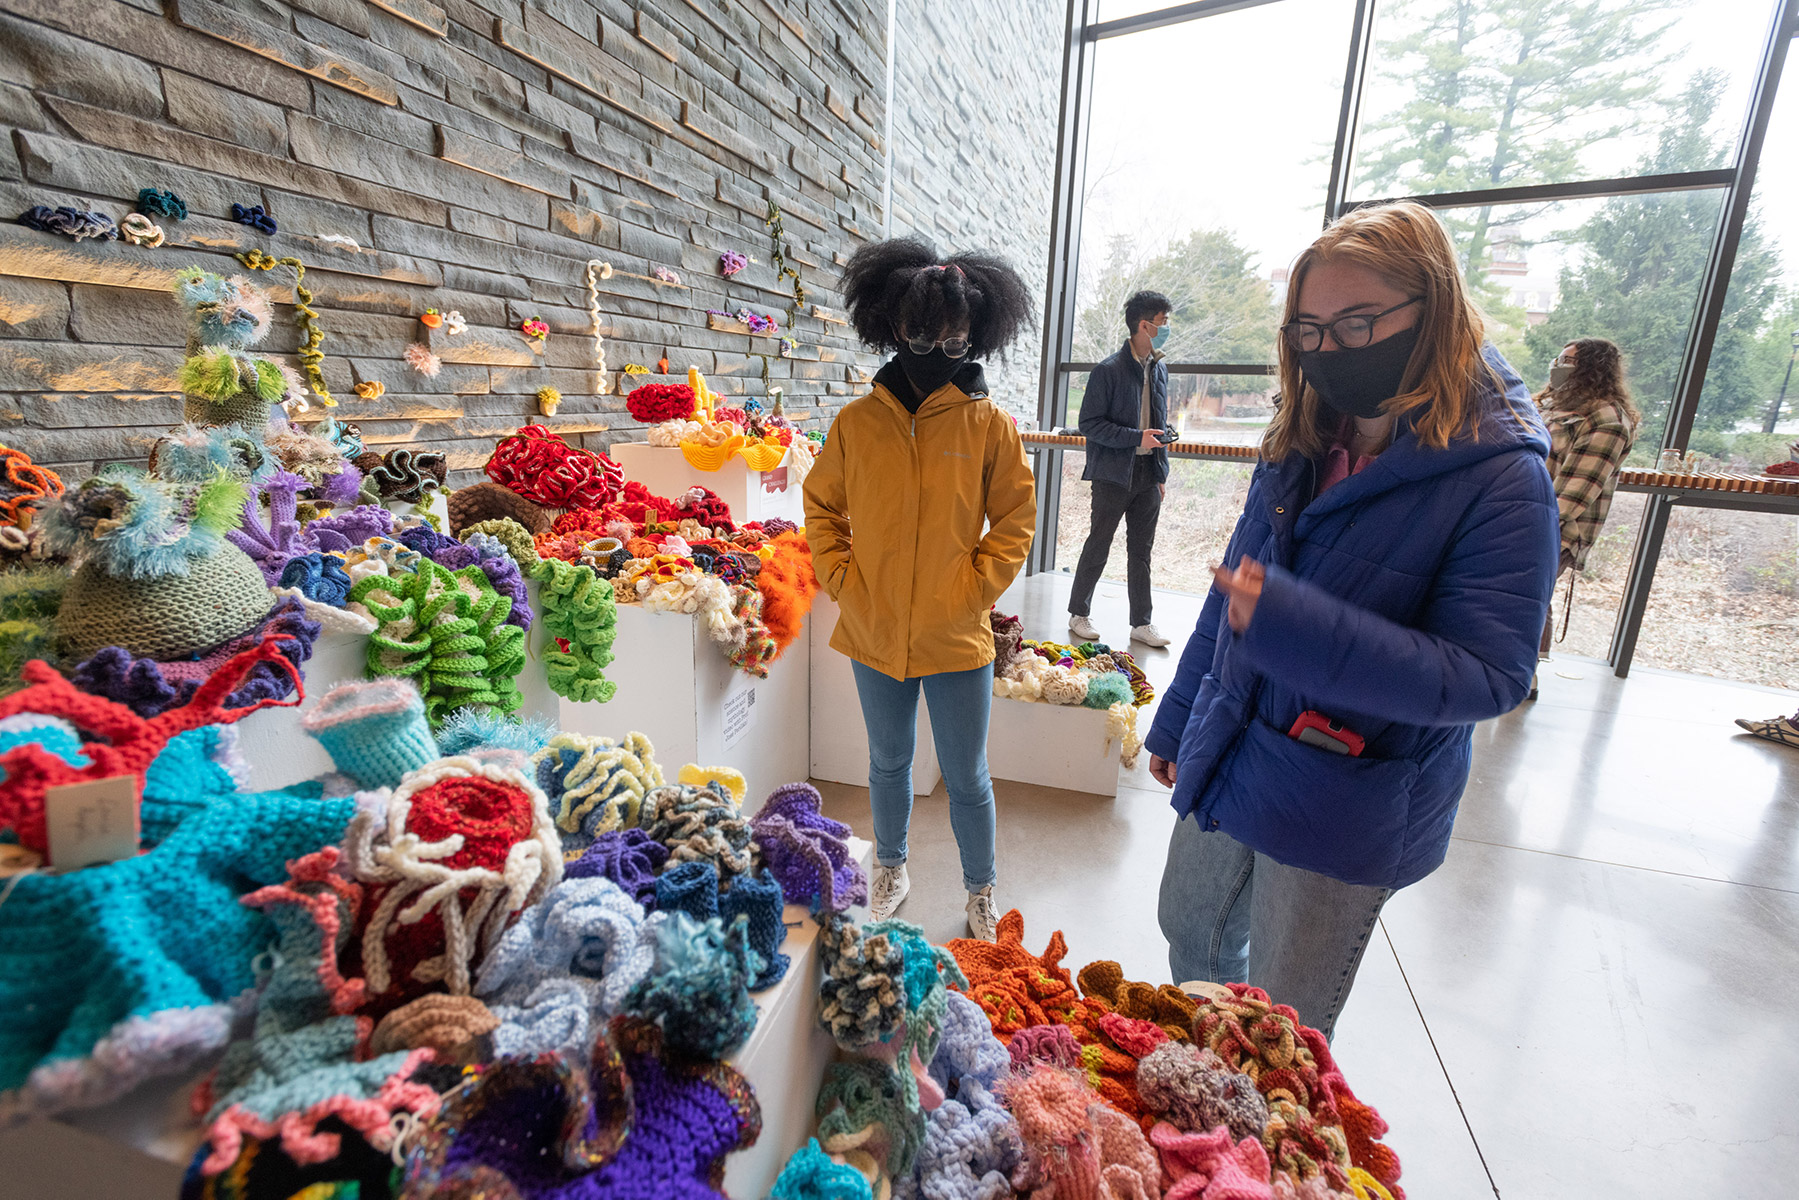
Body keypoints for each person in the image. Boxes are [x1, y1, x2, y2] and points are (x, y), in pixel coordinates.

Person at [1146, 202, 1559, 1039]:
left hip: (1344, 798)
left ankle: (1257, 1155)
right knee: (1191, 942)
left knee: (1285, 1030)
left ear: (1433, 310)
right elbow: (1232, 603)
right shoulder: (1303, 432)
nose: (1328, 350)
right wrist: (1178, 718)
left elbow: (1489, 675)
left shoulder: (1501, 476)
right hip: (1231, 744)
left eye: (1357, 323)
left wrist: (1294, 625)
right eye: (1307, 330)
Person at [803, 236, 1037, 941]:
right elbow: (821, 508)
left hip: (956, 631)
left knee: (967, 775)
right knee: (887, 763)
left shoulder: (988, 425)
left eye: (955, 338)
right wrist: (845, 580)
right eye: (919, 335)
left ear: (975, 335)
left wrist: (971, 591)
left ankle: (979, 886)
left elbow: (1016, 519)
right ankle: (892, 867)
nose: (936, 350)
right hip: (873, 629)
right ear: (890, 325)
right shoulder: (856, 424)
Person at [1531, 337, 1641, 696]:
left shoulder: (1607, 419)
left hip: (1549, 528)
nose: (1558, 366)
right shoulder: (1550, 404)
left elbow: (1573, 494)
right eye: (1558, 357)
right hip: (1517, 516)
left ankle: (1520, 676)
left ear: (1592, 370)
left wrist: (1519, 529)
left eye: (1569, 361)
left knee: (1527, 597)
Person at [1068, 290, 1174, 648]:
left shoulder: (1159, 369)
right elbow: (1090, 424)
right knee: (1099, 542)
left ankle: (1141, 623)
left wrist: (1160, 473)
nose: (1166, 328)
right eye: (1163, 323)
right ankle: (1078, 613)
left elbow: (1159, 423)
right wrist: (1136, 437)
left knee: (1141, 551)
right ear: (1143, 325)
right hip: (1112, 474)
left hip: (1147, 475)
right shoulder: (1108, 370)